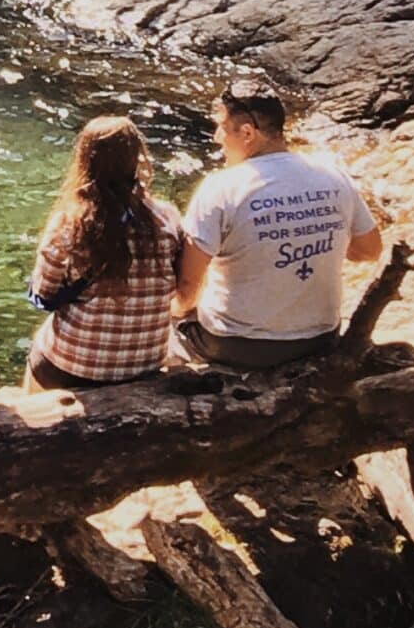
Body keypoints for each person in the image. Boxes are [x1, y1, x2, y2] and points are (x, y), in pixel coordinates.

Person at [173, 73, 382, 369]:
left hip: (236, 343)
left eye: (221, 128)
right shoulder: (332, 175)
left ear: (247, 133)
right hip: (320, 337)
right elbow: (369, 251)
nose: (217, 138)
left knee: (170, 320)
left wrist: (176, 313)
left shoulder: (220, 188)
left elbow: (187, 284)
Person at [24, 116, 182, 390]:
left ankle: (32, 413)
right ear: (137, 159)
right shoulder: (167, 219)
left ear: (85, 161)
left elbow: (44, 293)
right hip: (145, 364)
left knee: (41, 342)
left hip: (74, 367)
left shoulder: (70, 224)